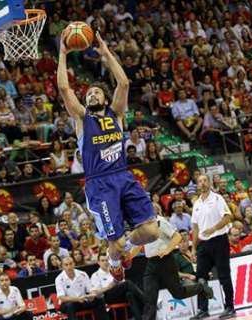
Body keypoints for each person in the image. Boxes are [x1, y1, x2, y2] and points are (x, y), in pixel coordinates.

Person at [58, 29, 159, 281]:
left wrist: (106, 53)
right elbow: (64, 89)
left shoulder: (117, 114)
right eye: (88, 93)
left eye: (96, 92)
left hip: (123, 176)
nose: (91, 94)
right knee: (114, 240)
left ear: (105, 98)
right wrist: (62, 53)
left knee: (152, 231)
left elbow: (123, 83)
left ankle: (122, 250)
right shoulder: (83, 119)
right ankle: (114, 260)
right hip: (99, 183)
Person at [142, 215, 212, 320]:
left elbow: (177, 237)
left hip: (166, 261)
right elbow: (139, 244)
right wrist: (129, 256)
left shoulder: (160, 221)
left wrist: (167, 250)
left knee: (178, 293)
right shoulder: (140, 224)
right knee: (149, 298)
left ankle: (201, 287)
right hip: (151, 263)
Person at [191, 174, 236, 319]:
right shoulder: (196, 204)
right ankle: (203, 310)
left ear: (209, 183)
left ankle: (229, 307)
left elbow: (228, 217)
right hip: (203, 245)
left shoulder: (217, 198)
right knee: (201, 278)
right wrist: (193, 248)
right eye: (200, 181)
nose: (202, 183)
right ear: (197, 185)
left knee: (224, 275)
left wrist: (214, 228)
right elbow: (195, 228)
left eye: (205, 180)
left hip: (219, 241)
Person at [91, 253, 145, 319]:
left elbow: (122, 283)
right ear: (98, 262)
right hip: (106, 297)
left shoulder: (114, 270)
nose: (105, 262)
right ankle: (147, 301)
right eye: (102, 260)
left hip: (119, 294)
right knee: (127, 283)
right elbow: (96, 293)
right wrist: (109, 286)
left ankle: (139, 318)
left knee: (129, 294)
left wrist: (117, 283)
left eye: (107, 260)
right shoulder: (95, 275)